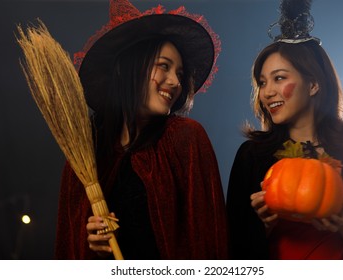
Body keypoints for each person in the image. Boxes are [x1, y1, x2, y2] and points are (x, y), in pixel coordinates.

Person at [54, 0, 228, 260]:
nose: (175, 82)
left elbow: (207, 239)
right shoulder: (87, 152)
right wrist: (90, 239)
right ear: (127, 68)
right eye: (164, 66)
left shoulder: (185, 138)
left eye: (179, 73)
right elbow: (70, 249)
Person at [226, 0, 343, 259]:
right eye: (262, 82)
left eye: (279, 78)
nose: (267, 91)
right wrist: (264, 225)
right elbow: (231, 252)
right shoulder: (251, 155)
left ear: (314, 84)